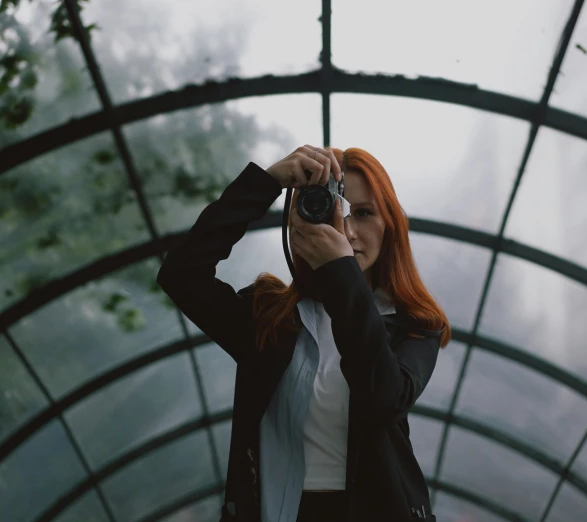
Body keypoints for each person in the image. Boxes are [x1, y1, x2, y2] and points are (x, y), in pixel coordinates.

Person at [157, 145, 451, 522]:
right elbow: (181, 275)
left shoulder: (415, 326)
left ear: (390, 223)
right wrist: (267, 182)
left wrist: (340, 270)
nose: (347, 230)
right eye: (333, 212)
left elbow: (383, 399)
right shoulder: (272, 318)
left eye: (362, 214)